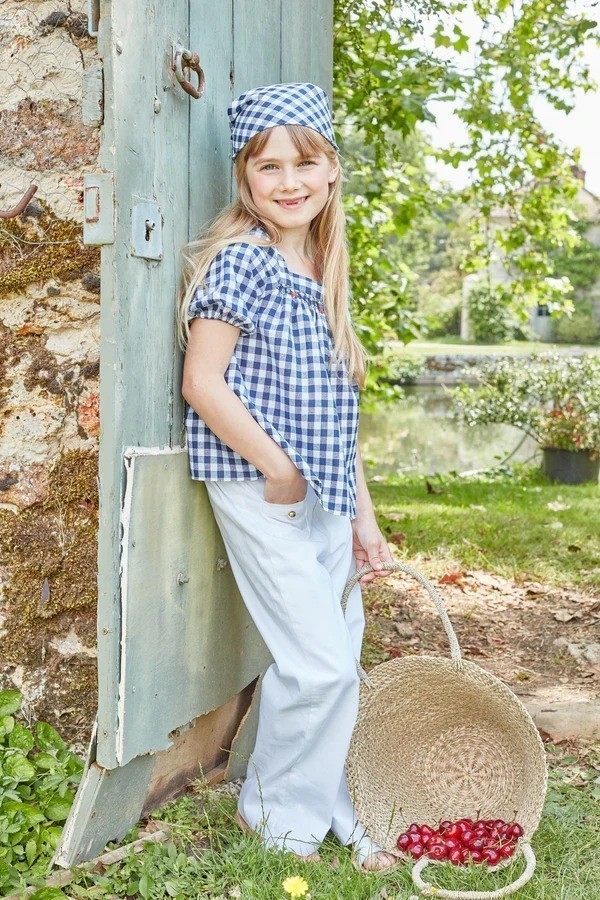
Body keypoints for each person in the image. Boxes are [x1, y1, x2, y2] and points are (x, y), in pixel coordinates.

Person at [178, 82, 400, 872]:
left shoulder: (317, 267)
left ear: (332, 169)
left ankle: (340, 810)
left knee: (339, 654)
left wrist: (362, 518)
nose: (288, 181)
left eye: (304, 163)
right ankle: (274, 820)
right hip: (264, 487)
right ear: (245, 177)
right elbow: (203, 382)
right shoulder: (244, 259)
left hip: (324, 493)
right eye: (267, 166)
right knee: (319, 664)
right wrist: (276, 468)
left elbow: (340, 416)